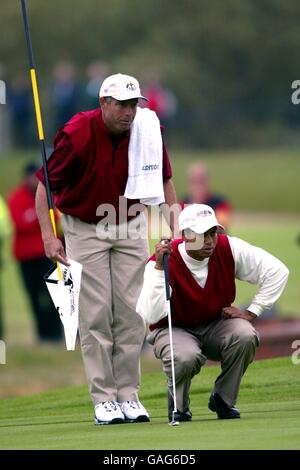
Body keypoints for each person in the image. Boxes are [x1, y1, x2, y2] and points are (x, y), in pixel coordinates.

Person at [35, 73, 177, 425]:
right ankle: (104, 399)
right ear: (103, 103)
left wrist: (176, 230)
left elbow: (164, 179)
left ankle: (129, 394)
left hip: (130, 222)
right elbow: (45, 188)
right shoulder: (77, 134)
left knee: (131, 313)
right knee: (96, 314)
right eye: (122, 105)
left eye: (134, 105)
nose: (129, 112)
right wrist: (49, 237)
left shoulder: (147, 129)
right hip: (85, 228)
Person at [136, 204, 289, 421]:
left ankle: (223, 400)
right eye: (201, 235)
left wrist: (253, 311)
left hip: (216, 324)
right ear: (186, 236)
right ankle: (179, 406)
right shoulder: (163, 262)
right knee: (185, 356)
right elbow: (151, 315)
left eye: (212, 233)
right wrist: (160, 269)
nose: (209, 241)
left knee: (246, 335)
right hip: (173, 329)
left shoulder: (228, 248)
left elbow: (277, 271)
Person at [7, 163, 63, 343]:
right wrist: (39, 217)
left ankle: (55, 334)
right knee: (33, 295)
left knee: (52, 294)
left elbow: (54, 218)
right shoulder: (16, 197)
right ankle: (42, 334)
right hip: (25, 257)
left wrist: (34, 216)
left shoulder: (48, 195)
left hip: (46, 255)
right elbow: (19, 221)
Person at [181, 163, 232, 230]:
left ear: (208, 181)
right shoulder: (182, 203)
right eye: (194, 181)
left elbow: (222, 226)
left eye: (201, 180)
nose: (198, 185)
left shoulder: (220, 203)